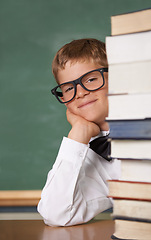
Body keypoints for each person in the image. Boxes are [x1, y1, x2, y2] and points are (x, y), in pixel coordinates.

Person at [37, 38, 121, 227]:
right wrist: (78, 135)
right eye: (68, 88)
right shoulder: (97, 157)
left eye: (91, 79)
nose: (80, 92)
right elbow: (56, 214)